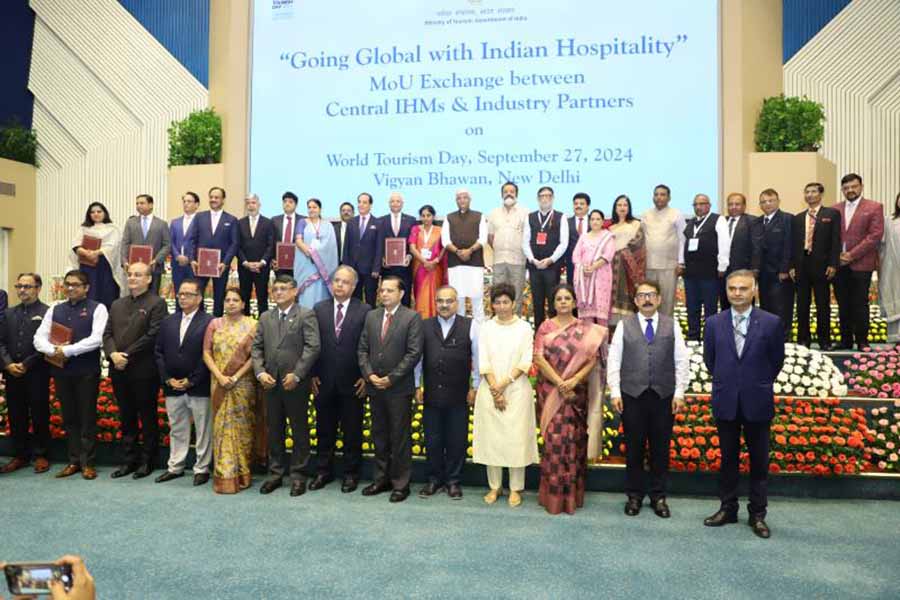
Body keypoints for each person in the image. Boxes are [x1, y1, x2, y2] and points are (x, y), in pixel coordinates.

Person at [703, 270, 785, 539]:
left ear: (754, 291)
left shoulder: (771, 323)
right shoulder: (714, 323)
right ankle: (727, 509)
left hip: (757, 401)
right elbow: (710, 361)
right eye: (732, 288)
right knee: (728, 460)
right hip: (726, 400)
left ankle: (757, 515)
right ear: (726, 291)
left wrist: (754, 382)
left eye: (743, 288)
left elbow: (776, 362)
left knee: (759, 462)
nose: (737, 293)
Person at [608, 280, 689, 518]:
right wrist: (614, 391)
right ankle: (634, 496)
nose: (647, 299)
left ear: (659, 299)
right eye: (642, 295)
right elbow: (614, 359)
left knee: (660, 450)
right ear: (635, 300)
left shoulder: (671, 325)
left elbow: (681, 360)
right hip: (632, 396)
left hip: (663, 397)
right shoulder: (625, 325)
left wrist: (680, 392)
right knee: (633, 449)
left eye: (651, 295)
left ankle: (658, 497)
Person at [533, 284, 606, 515]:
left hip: (575, 395)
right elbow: (539, 358)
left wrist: (573, 381)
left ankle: (572, 496)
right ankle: (553, 497)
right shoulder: (545, 327)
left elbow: (592, 359)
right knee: (554, 444)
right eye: (559, 298)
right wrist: (559, 382)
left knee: (573, 443)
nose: (563, 302)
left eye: (567, 298)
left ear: (574, 302)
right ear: (553, 303)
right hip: (551, 392)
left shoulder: (586, 329)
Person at [33, 270, 109, 480]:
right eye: (68, 284)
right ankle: (74, 461)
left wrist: (67, 350)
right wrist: (52, 350)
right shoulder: (55, 309)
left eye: (76, 284)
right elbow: (39, 337)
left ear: (86, 288)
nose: (71, 288)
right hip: (61, 371)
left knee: (86, 418)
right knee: (69, 418)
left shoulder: (98, 308)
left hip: (86, 372)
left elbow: (96, 339)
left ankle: (88, 463)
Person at [252, 276, 321, 496]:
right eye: (275, 289)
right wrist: (260, 372)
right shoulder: (265, 317)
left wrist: (299, 374)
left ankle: (299, 475)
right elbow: (257, 348)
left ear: (294, 291)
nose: (278, 292)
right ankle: (275, 474)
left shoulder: (305, 314)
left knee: (299, 429)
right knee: (275, 430)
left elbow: (313, 347)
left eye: (283, 289)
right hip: (271, 382)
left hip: (295, 383)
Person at [357, 276, 424, 502]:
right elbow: (362, 349)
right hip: (375, 386)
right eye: (382, 290)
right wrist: (369, 375)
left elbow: (414, 353)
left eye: (389, 290)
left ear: (401, 294)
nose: (384, 294)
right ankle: (381, 479)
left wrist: (391, 378)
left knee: (399, 437)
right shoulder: (371, 316)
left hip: (398, 388)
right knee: (379, 435)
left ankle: (400, 484)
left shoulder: (412, 317)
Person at [473, 283, 538, 508]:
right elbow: (484, 361)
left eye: (505, 302)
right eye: (497, 302)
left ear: (513, 303)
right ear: (492, 304)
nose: (501, 306)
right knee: (493, 439)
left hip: (517, 389)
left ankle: (515, 488)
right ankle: (494, 486)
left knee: (515, 439)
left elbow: (525, 361)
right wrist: (495, 389)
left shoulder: (524, 328)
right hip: (490, 389)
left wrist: (502, 385)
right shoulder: (487, 328)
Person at [103, 262, 168, 480]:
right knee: (126, 416)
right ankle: (128, 460)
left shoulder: (157, 303)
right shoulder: (117, 304)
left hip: (143, 370)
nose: (132, 278)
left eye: (138, 275)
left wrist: (126, 355)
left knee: (147, 417)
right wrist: (113, 354)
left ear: (149, 279)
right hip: (118, 369)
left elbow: (153, 335)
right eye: (130, 274)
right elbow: (107, 334)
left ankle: (147, 461)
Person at [414, 285, 479, 500]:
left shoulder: (469, 326)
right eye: (440, 301)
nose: (444, 305)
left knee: (456, 439)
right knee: (432, 439)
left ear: (457, 303)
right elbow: (418, 360)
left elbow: (477, 359)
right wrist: (417, 385)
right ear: (435, 302)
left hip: (459, 394)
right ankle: (434, 480)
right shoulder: (424, 326)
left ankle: (453, 481)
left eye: (449, 301)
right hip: (431, 393)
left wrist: (475, 386)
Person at [310, 266, 371, 492]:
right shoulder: (319, 309)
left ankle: (351, 474)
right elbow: (312, 345)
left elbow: (369, 347)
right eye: (336, 280)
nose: (339, 285)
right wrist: (312, 374)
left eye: (345, 282)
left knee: (352, 432)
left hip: (354, 383)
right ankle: (322, 473)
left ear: (354, 287)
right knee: (324, 430)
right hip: (323, 381)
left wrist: (366, 377)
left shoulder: (365, 310)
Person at [154, 278, 214, 486]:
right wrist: (168, 379)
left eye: (188, 294)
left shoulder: (209, 322)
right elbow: (159, 352)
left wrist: (191, 380)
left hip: (198, 386)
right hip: (173, 387)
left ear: (199, 298)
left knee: (203, 428)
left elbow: (209, 355)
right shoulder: (168, 321)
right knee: (177, 428)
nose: (182, 298)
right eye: (180, 294)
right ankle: (176, 466)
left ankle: (202, 468)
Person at [203, 288, 260, 494]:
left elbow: (256, 357)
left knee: (243, 430)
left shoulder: (253, 325)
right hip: (219, 383)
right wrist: (220, 376)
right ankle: (224, 476)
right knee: (221, 429)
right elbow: (206, 352)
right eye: (227, 300)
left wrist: (235, 377)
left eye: (236, 300)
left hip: (243, 385)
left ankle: (243, 474)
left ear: (244, 304)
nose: (231, 303)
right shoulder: (214, 324)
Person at [0, 273, 51, 474]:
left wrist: (27, 364)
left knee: (39, 413)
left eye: (27, 286)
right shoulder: (8, 313)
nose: (22, 290)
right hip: (12, 372)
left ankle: (41, 455)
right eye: (19, 286)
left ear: (38, 288)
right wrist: (8, 364)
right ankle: (20, 455)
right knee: (16, 415)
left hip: (37, 372)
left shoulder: (48, 312)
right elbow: (1, 342)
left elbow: (47, 343)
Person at [834, 173, 885, 350]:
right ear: (842, 190)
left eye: (854, 186)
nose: (850, 190)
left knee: (860, 303)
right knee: (843, 304)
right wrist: (837, 256)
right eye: (846, 188)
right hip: (839, 265)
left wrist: (851, 255)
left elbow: (874, 236)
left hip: (861, 264)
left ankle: (862, 341)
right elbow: (830, 237)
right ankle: (845, 340)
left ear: (861, 186)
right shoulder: (835, 208)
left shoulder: (874, 207)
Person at [791, 183, 841, 350]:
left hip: (822, 266)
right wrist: (792, 265)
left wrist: (833, 264)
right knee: (802, 305)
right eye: (807, 192)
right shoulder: (798, 217)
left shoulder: (832, 214)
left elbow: (836, 241)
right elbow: (793, 245)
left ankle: (824, 341)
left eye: (813, 191)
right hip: (801, 265)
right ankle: (803, 340)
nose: (810, 195)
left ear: (821, 194)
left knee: (823, 305)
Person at [682, 194, 730, 341]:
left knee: (710, 309)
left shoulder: (718, 219)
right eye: (695, 204)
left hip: (710, 273)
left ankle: (710, 340)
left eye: (702, 204)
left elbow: (724, 243)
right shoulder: (690, 223)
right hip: (691, 274)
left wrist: (722, 266)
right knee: (692, 308)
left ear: (709, 205)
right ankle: (693, 338)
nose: (698, 207)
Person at [524, 186, 569, 330]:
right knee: (537, 302)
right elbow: (524, 241)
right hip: (534, 266)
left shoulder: (561, 217)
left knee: (552, 301)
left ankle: (554, 333)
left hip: (552, 267)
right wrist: (532, 259)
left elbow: (564, 243)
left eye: (548, 196)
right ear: (538, 199)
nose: (545, 198)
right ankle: (539, 334)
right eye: (542, 196)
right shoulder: (530, 217)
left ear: (553, 198)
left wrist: (551, 259)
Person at [192, 186, 239, 317]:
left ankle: (217, 322)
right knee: (198, 294)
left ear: (223, 200)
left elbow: (234, 243)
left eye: (216, 197)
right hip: (201, 265)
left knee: (219, 296)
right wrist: (193, 259)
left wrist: (226, 262)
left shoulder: (231, 220)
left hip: (221, 266)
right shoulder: (199, 217)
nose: (213, 200)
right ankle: (199, 321)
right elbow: (193, 240)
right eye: (211, 197)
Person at [640, 185, 686, 316]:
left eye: (662, 194)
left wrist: (681, 263)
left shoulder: (677, 214)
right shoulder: (645, 215)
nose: (659, 197)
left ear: (669, 197)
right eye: (656, 194)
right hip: (648, 266)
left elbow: (683, 239)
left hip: (669, 266)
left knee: (666, 302)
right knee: (648, 302)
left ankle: (666, 334)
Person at [442, 189, 487, 322]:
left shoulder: (479, 216)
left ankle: (480, 334)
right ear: (456, 201)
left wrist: (469, 251)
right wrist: (458, 252)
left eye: (465, 197)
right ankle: (460, 334)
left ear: (470, 200)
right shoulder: (449, 217)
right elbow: (445, 241)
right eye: (459, 198)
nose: (462, 200)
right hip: (456, 264)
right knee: (458, 299)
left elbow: (483, 238)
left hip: (475, 264)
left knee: (477, 299)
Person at [755, 189, 794, 341]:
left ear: (778, 201)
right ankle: (768, 338)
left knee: (782, 308)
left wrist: (785, 269)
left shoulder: (787, 219)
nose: (767, 204)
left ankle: (784, 340)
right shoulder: (757, 222)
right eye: (763, 201)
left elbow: (789, 246)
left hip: (780, 273)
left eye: (770, 200)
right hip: (763, 273)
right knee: (766, 307)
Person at [70, 202, 124, 310]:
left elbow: (113, 246)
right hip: (87, 266)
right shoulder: (83, 228)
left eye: (99, 211)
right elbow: (75, 245)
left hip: (105, 266)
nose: (96, 214)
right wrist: (85, 252)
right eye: (92, 212)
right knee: (90, 292)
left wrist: (96, 252)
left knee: (106, 293)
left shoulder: (113, 229)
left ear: (104, 213)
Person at [487, 181, 529, 314]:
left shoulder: (525, 212)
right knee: (497, 295)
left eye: (512, 191)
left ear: (516, 194)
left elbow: (528, 237)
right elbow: (490, 237)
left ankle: (514, 325)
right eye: (506, 192)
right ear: (501, 195)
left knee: (516, 294)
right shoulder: (494, 213)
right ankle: (499, 324)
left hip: (518, 261)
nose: (508, 194)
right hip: (499, 260)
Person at [119, 194, 171, 294]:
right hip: (134, 268)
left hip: (154, 267)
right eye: (137, 203)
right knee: (134, 294)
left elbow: (167, 245)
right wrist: (124, 261)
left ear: (151, 205)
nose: (138, 205)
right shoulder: (130, 222)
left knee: (153, 295)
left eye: (142, 203)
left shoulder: (162, 224)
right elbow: (125, 243)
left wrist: (157, 260)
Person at [608, 195, 646, 328]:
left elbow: (639, 243)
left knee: (630, 297)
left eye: (625, 205)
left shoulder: (636, 224)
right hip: (614, 268)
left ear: (629, 207)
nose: (622, 208)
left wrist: (622, 252)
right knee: (613, 300)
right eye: (619, 205)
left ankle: (631, 330)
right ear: (615, 208)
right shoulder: (611, 227)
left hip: (630, 269)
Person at [572, 209, 615, 325]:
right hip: (584, 277)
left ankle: (603, 342)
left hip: (601, 276)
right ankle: (588, 342)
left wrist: (593, 267)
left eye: (598, 219)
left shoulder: (608, 237)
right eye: (592, 219)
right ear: (589, 221)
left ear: (602, 222)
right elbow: (576, 255)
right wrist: (582, 267)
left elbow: (608, 255)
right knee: (586, 315)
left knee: (601, 314)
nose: (595, 222)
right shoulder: (583, 237)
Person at [294, 198, 338, 309]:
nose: (311, 210)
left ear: (320, 209)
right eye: (309, 207)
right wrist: (309, 252)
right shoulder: (302, 222)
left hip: (324, 268)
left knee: (321, 295)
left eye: (314, 207)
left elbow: (331, 246)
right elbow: (298, 240)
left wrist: (317, 255)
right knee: (307, 294)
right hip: (306, 264)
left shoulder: (328, 225)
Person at [373, 192, 416, 307]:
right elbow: (378, 242)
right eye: (392, 201)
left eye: (398, 201)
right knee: (387, 297)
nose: (395, 204)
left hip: (405, 267)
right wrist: (381, 257)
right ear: (389, 204)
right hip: (387, 267)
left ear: (402, 204)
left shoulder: (411, 220)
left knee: (405, 298)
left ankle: (405, 323)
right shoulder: (380, 220)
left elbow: (414, 242)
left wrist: (410, 256)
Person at [719, 192, 761, 310]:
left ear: (744, 206)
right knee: (725, 303)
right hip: (723, 272)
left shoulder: (752, 221)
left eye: (737, 204)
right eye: (730, 204)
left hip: (744, 270)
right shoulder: (721, 221)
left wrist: (754, 269)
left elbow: (756, 247)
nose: (733, 207)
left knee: (745, 304)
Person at [237, 193, 274, 316]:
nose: (250, 206)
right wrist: (245, 263)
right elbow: (237, 246)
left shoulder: (268, 223)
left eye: (253, 203)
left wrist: (262, 262)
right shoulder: (239, 223)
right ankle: (245, 325)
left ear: (259, 205)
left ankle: (264, 327)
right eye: (248, 203)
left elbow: (271, 245)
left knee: (262, 298)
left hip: (262, 268)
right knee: (244, 298)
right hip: (244, 267)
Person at [408, 204, 446, 319]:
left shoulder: (440, 230)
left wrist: (436, 260)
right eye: (423, 216)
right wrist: (425, 261)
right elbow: (412, 248)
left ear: (433, 217)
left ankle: (435, 319)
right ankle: (421, 321)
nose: (426, 218)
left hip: (435, 268)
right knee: (421, 295)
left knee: (435, 294)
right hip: (420, 268)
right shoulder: (416, 229)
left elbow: (445, 247)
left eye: (428, 215)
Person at [169, 191, 201, 308]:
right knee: (179, 292)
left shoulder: (201, 221)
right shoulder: (175, 222)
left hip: (192, 264)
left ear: (197, 205)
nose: (186, 204)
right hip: (177, 264)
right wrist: (177, 256)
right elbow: (170, 242)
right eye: (184, 201)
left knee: (193, 292)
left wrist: (189, 257)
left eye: (189, 201)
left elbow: (199, 243)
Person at [879, 193, 900, 343]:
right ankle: (895, 339)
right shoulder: (889, 221)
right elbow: (880, 244)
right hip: (892, 268)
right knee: (894, 299)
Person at [271, 191, 301, 280]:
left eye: (290, 202)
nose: (287, 204)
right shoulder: (274, 220)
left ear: (296, 205)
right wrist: (272, 259)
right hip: (279, 265)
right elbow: (271, 242)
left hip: (297, 264)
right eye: (285, 201)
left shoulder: (303, 220)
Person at [564, 192, 592, 284]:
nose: (578, 206)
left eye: (582, 204)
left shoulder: (595, 222)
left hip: (591, 265)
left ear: (588, 206)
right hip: (571, 265)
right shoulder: (565, 222)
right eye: (576, 204)